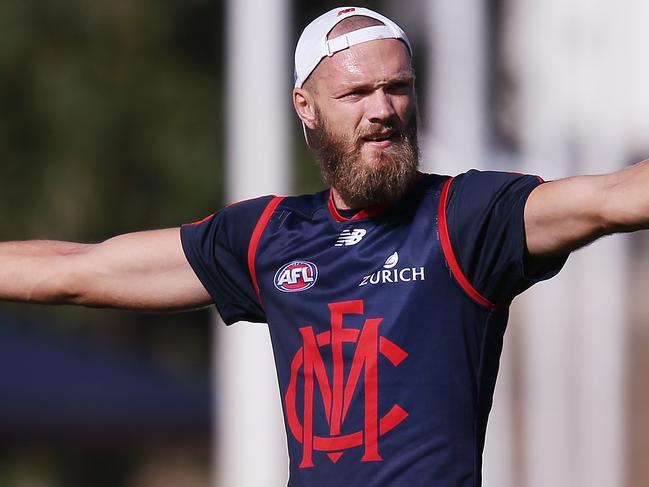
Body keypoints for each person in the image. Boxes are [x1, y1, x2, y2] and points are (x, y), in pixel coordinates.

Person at [0, 5, 647, 486]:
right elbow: (74, 270)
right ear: (305, 106)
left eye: (396, 88)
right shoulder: (267, 238)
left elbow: (612, 197)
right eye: (357, 93)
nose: (382, 109)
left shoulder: (465, 218)